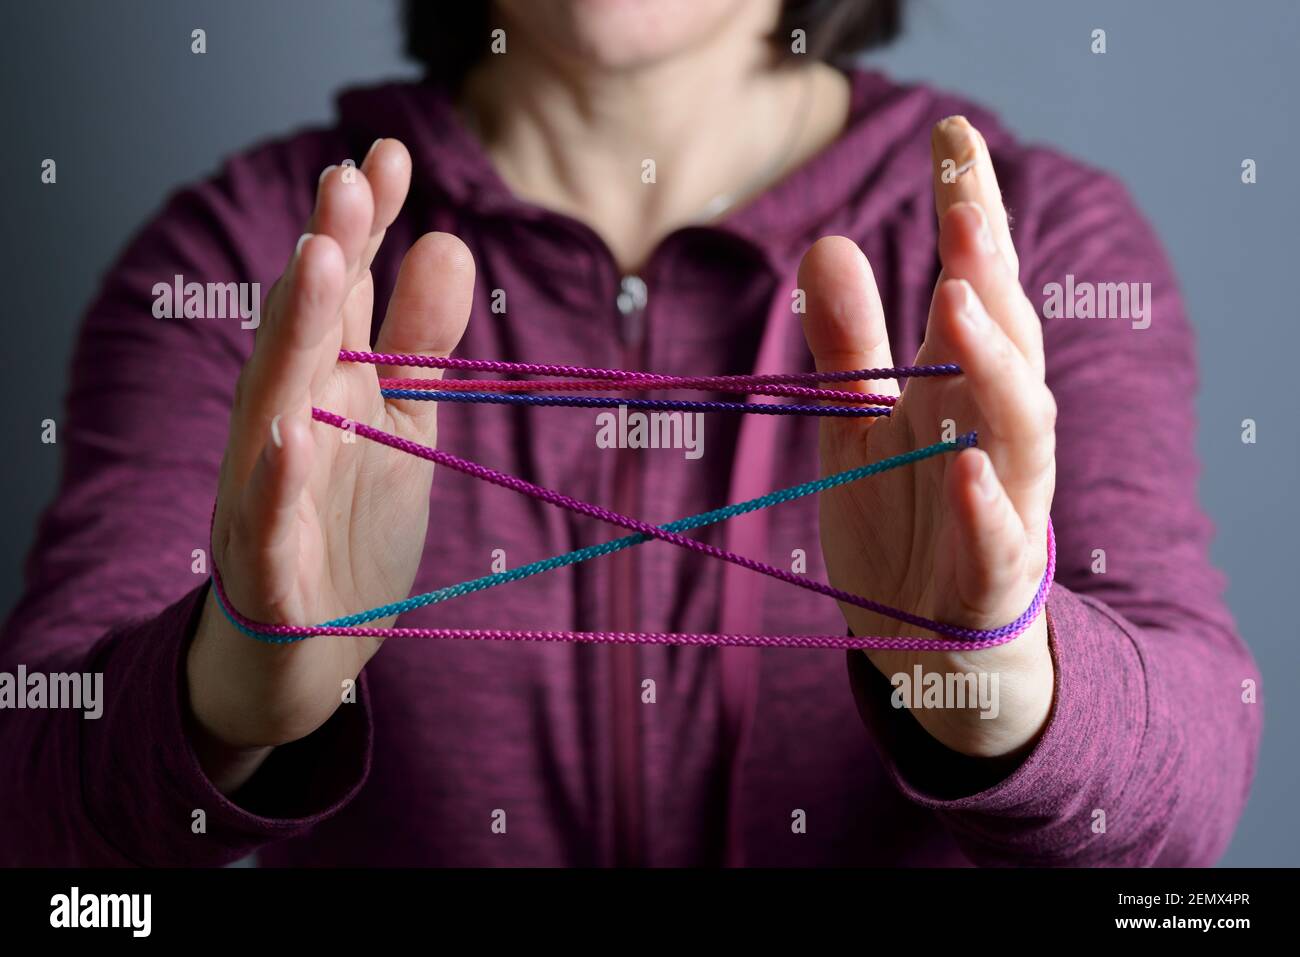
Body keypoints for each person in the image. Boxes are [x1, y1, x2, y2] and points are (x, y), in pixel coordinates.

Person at [0, 0, 1261, 866]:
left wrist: (995, 681)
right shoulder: (252, 255)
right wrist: (237, 682)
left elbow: (1187, 813)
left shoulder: (1040, 241)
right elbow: (33, 796)